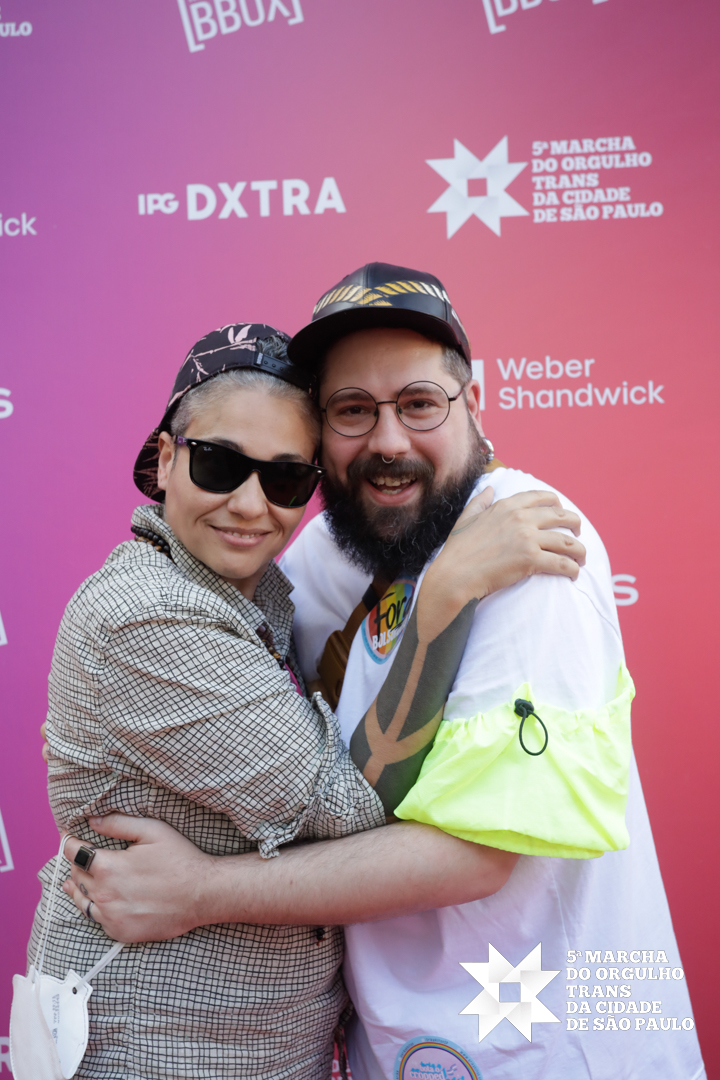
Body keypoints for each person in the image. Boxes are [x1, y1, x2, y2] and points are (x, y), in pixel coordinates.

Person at [62, 265, 705, 1080]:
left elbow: (475, 854)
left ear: (474, 405)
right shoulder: (321, 556)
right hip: (385, 1047)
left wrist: (199, 891)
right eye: (353, 410)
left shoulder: (527, 543)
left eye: (419, 403)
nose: (389, 441)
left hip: (553, 1048)